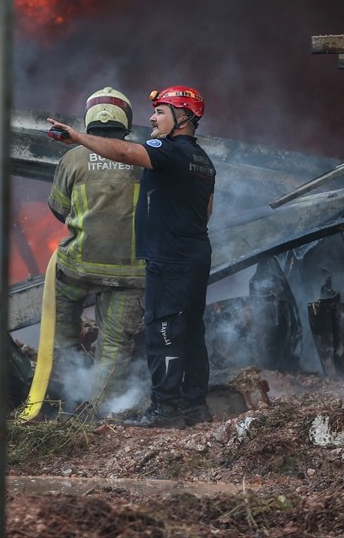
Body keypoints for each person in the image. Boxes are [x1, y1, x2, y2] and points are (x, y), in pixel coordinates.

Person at [47, 85, 216, 429]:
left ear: (182, 118)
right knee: (191, 330)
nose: (152, 118)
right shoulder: (203, 161)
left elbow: (125, 154)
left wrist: (78, 138)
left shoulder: (167, 151)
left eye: (160, 112)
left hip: (166, 260)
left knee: (163, 331)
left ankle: (165, 411)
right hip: (193, 255)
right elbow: (207, 212)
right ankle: (195, 406)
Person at [46, 87, 146, 418]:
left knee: (62, 331)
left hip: (78, 270)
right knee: (115, 346)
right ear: (126, 121)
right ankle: (103, 412)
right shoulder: (143, 158)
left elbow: (59, 209)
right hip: (130, 274)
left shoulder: (72, 158)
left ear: (89, 119)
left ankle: (66, 393)